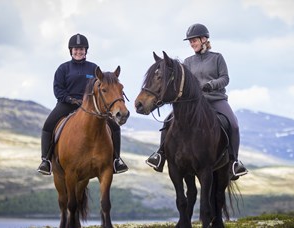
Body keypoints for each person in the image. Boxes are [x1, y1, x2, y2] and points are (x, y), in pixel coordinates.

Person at [146, 24, 248, 180]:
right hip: (194, 103)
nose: (192, 44)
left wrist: (211, 85)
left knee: (233, 124)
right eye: (190, 42)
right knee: (168, 121)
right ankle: (160, 155)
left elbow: (225, 78)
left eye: (194, 40)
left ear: (204, 39)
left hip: (215, 99)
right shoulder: (188, 61)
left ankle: (234, 162)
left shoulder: (217, 58)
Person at [37, 33, 128, 175]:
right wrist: (70, 99)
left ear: (86, 51)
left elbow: (102, 86)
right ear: (71, 50)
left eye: (81, 49)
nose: (78, 51)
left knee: (115, 127)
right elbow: (58, 89)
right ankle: (46, 160)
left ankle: (116, 159)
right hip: (67, 104)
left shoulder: (94, 69)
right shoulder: (63, 69)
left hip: (91, 107)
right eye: (75, 49)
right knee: (48, 125)